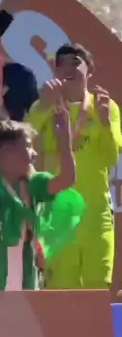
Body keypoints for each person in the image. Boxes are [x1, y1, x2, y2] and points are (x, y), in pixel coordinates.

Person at [28, 43, 122, 289]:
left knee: (97, 290)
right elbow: (25, 145)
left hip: (95, 214)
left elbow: (111, 159)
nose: (68, 68)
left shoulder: (106, 106)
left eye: (75, 62)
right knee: (60, 293)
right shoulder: (42, 106)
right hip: (57, 217)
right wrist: (43, 109)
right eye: (62, 64)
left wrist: (105, 122)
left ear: (90, 69)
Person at [0, 115, 76, 291]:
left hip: (26, 293)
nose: (34, 153)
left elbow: (67, 179)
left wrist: (64, 141)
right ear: (7, 153)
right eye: (28, 146)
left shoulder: (34, 185)